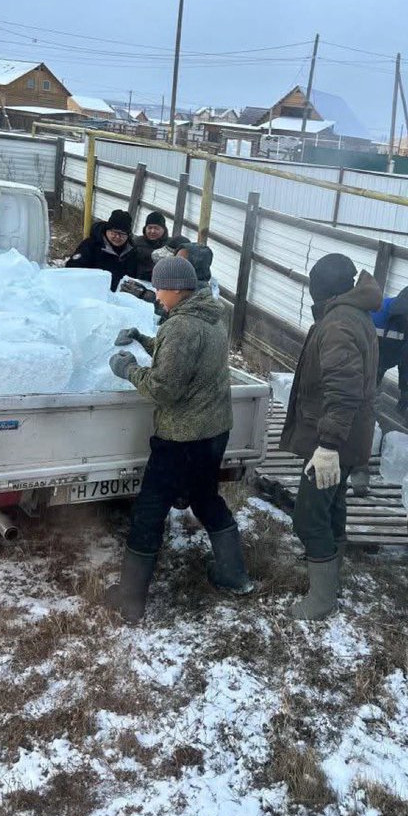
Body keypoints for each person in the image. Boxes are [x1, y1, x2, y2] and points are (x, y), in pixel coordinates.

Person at [104, 255, 252, 622]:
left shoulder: (181, 327)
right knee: (206, 497)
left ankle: (130, 600)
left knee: (149, 512)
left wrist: (128, 369)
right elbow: (187, 356)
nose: (156, 297)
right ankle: (234, 575)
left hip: (181, 439)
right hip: (215, 431)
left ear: (175, 289)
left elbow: (163, 389)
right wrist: (142, 338)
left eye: (159, 289)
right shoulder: (212, 315)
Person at [280, 253, 381, 620]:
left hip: (335, 440)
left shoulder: (338, 324)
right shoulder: (352, 315)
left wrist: (327, 447)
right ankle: (332, 580)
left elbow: (343, 390)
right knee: (332, 507)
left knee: (308, 517)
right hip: (349, 437)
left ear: (324, 288)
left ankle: (321, 600)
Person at [350, 282, 408, 495]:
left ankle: (358, 467)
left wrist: (405, 391)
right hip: (353, 366)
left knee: (366, 415)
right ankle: (329, 453)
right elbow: (351, 342)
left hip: (376, 371)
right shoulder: (377, 314)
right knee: (346, 411)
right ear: (403, 311)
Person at [65, 209, 138, 291]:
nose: (117, 237)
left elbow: (132, 277)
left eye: (122, 234)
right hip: (89, 292)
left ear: (128, 235)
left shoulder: (131, 252)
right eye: (114, 232)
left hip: (117, 297)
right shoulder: (90, 245)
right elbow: (72, 268)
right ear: (107, 230)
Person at [133, 211, 170, 280]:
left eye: (156, 228)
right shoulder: (137, 242)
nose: (152, 231)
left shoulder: (169, 246)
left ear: (164, 230)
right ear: (145, 228)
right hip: (138, 281)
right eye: (150, 228)